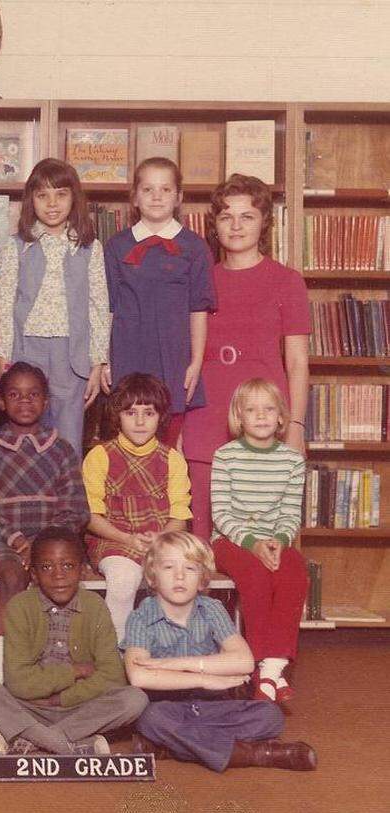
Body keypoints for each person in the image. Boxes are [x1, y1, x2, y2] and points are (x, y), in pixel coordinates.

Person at [182, 174, 310, 540]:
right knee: (203, 541)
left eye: (247, 216)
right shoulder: (200, 279)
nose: (236, 226)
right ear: (214, 224)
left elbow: (298, 362)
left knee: (264, 538)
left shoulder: (286, 281)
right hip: (205, 417)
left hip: (264, 421)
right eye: (226, 217)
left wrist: (296, 428)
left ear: (264, 222)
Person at [123, 531, 316, 772]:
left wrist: (171, 664)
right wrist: (206, 678)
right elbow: (140, 676)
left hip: (214, 707)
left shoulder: (211, 608)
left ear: (203, 579)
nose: (180, 576)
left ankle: (172, 747)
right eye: (169, 567)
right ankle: (255, 754)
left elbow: (244, 661)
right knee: (151, 719)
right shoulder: (141, 616)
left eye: (191, 569)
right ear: (152, 577)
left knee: (270, 715)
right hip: (170, 708)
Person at [0, 527, 148, 756]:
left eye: (68, 566)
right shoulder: (20, 606)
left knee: (134, 699)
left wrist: (62, 698)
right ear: (33, 574)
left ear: (81, 571)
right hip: (28, 706)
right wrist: (76, 670)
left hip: (81, 708)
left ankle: (34, 738)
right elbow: (19, 682)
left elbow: (112, 677)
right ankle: (68, 742)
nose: (58, 575)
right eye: (47, 567)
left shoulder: (94, 606)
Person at [0, 362, 88, 681]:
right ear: (2, 401)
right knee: (12, 576)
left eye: (34, 394)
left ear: (46, 402)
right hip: (3, 543)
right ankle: (8, 673)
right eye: (15, 395)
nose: (25, 401)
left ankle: (56, 662)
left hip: (52, 542)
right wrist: (17, 540)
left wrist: (41, 542)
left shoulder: (62, 449)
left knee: (57, 573)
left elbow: (77, 509)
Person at [0, 158, 109, 451]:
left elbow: (99, 306)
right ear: (31, 200)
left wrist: (97, 362)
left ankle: (66, 494)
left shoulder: (89, 248)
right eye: (42, 195)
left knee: (68, 435)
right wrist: (2, 355)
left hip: (72, 354)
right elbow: (6, 302)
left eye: (61, 194)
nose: (52, 203)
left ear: (74, 198)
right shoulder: (17, 246)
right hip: (25, 350)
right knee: (25, 432)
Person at [104, 157, 215, 447]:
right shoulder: (116, 246)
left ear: (179, 197)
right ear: (134, 198)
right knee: (127, 439)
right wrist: (104, 360)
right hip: (128, 354)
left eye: (165, 190)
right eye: (148, 189)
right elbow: (108, 310)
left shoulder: (195, 247)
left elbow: (198, 310)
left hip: (174, 358)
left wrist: (196, 362)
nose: (156, 197)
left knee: (167, 442)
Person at [211, 378, 307, 702]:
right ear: (239, 417)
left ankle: (271, 668)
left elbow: (291, 514)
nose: (261, 416)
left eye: (269, 409)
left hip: (274, 539)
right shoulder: (225, 456)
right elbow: (222, 514)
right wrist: (252, 543)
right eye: (252, 410)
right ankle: (262, 667)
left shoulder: (292, 461)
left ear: (281, 417)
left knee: (294, 569)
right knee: (255, 574)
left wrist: (280, 540)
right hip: (231, 541)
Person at [83, 373, 192, 639]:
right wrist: (127, 539)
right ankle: (114, 655)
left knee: (180, 576)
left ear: (161, 417)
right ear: (117, 416)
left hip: (160, 540)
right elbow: (90, 516)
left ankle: (168, 651)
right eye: (131, 413)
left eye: (149, 413)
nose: (140, 422)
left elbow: (180, 516)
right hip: (114, 540)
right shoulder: (100, 455)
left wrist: (160, 537)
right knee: (123, 578)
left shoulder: (173, 459)